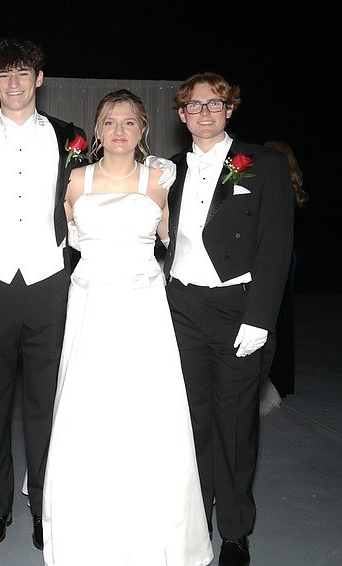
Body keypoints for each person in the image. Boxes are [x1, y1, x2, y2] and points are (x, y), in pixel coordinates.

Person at [41, 89, 213, 565]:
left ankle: (154, 534)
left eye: (129, 123)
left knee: (147, 412)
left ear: (143, 131)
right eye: (110, 122)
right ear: (96, 129)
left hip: (142, 310)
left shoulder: (159, 181)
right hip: (91, 307)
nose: (119, 131)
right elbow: (71, 240)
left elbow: (172, 241)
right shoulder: (75, 181)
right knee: (88, 410)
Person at [0, 37, 86, 551]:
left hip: (51, 282)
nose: (13, 84)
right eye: (3, 76)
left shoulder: (74, 138)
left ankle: (45, 508)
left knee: (46, 407)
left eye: (22, 74)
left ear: (39, 79)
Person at [164, 72, 293, 566]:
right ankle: (197, 524)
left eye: (214, 104)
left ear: (230, 109)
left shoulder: (264, 164)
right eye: (194, 106)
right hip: (181, 309)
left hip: (238, 309)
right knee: (192, 423)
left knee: (235, 427)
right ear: (181, 113)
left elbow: (276, 245)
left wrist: (259, 318)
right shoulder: (169, 170)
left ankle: (235, 532)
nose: (204, 112)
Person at [259, 139, 306, 412]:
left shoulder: (278, 187)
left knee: (277, 317)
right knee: (282, 317)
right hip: (289, 255)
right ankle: (282, 380)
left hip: (281, 256)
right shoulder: (290, 187)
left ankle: (277, 379)